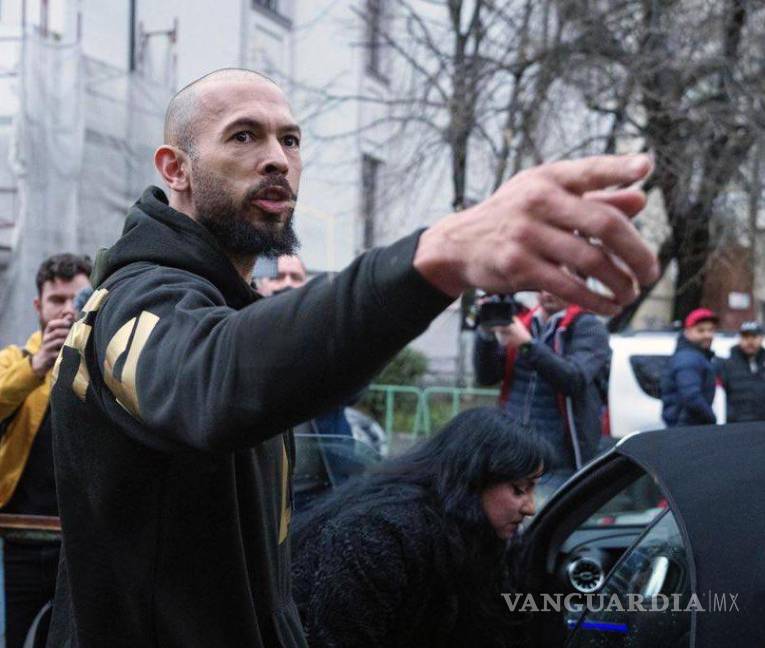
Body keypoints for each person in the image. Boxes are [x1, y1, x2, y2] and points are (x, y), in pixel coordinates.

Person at [46, 67, 658, 648]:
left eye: (290, 140)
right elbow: (213, 379)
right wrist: (437, 256)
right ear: (175, 168)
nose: (277, 159)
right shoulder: (139, 297)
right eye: (243, 136)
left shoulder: (220, 302)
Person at [292, 407, 549, 648]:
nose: (530, 508)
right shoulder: (379, 534)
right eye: (519, 489)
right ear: (474, 479)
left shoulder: (469, 535)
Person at [0, 253, 91, 648]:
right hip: (16, 541)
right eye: (57, 300)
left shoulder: (102, 367)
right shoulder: (13, 362)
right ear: (38, 306)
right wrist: (36, 367)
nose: (68, 310)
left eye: (77, 299)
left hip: (79, 544)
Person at [473, 291, 611, 477]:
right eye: (543, 286)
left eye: (555, 287)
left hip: (558, 461)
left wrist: (527, 345)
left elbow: (573, 379)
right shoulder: (522, 321)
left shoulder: (589, 327)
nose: (547, 293)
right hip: (512, 451)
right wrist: (486, 335)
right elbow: (486, 378)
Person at [661, 307, 718, 427]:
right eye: (701, 330)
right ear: (687, 331)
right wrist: (711, 419)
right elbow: (691, 397)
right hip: (686, 428)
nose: (707, 335)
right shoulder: (688, 359)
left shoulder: (697, 356)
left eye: (711, 330)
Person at [721, 321, 765, 423]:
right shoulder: (726, 365)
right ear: (739, 339)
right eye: (745, 337)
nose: (750, 341)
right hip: (736, 426)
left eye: (754, 336)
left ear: (761, 338)